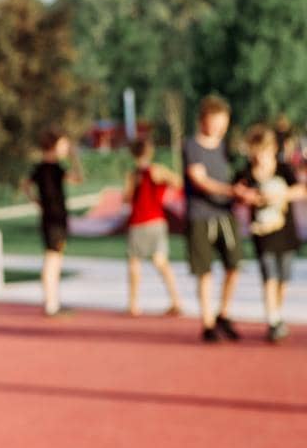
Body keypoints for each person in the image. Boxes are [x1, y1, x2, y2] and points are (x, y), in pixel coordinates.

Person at [182, 96, 257, 343]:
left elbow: (237, 177)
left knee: (234, 265)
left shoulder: (226, 148)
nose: (219, 127)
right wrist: (231, 191)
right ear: (204, 119)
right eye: (216, 121)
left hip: (225, 214)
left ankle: (224, 313)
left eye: (223, 122)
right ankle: (208, 322)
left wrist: (244, 192)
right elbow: (199, 180)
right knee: (205, 271)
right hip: (201, 215)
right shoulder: (191, 146)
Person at [236, 125, 304, 342]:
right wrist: (249, 197)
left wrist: (279, 194)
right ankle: (273, 319)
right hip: (262, 233)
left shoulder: (283, 169)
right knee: (269, 277)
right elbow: (236, 192)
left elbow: (301, 190)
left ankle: (277, 313)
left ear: (272, 149)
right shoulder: (246, 173)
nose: (259, 156)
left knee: (283, 279)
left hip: (285, 231)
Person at [19, 128, 84, 317]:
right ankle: (51, 303)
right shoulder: (47, 169)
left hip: (55, 219)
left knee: (55, 259)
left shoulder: (53, 169)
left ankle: (53, 301)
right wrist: (36, 201)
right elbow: (25, 185)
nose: (65, 148)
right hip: (53, 221)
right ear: (54, 146)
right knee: (52, 260)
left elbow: (78, 179)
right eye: (63, 145)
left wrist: (73, 157)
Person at [122, 138, 184, 317]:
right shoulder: (157, 170)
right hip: (156, 221)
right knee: (161, 262)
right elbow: (177, 182)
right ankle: (176, 301)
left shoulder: (133, 175)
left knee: (135, 263)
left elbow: (126, 198)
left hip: (139, 221)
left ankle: (133, 304)